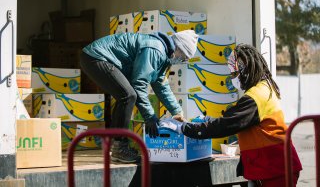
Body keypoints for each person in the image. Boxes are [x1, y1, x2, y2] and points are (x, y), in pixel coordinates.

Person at [161, 44, 302, 186]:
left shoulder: (255, 97)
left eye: (234, 74)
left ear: (245, 70)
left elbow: (226, 125)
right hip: (273, 167)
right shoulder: (264, 88)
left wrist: (183, 128)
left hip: (276, 168)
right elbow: (234, 120)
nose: (232, 78)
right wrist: (202, 121)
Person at [80, 30, 199, 163]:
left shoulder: (164, 55)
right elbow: (139, 84)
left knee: (124, 96)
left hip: (97, 57)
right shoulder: (155, 49)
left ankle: (118, 146)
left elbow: (161, 84)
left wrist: (176, 111)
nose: (181, 61)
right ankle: (120, 147)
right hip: (96, 57)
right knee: (128, 95)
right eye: (183, 57)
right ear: (178, 47)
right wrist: (150, 117)